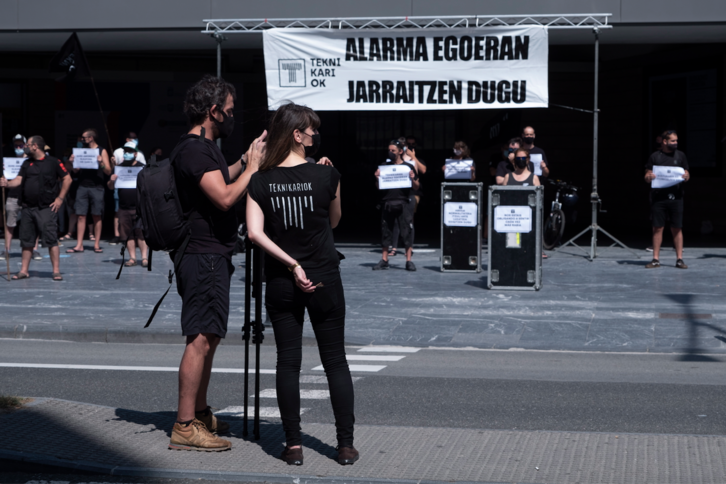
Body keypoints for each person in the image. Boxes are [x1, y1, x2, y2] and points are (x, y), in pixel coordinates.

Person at [247, 101, 358, 467]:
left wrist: (292, 263)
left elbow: (253, 233)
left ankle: (292, 445)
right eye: (313, 131)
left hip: (281, 279)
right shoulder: (328, 176)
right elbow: (336, 222)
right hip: (325, 276)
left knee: (288, 362)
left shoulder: (260, 179)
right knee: (335, 362)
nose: (315, 136)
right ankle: (344, 445)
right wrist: (330, 183)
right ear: (298, 135)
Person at [167, 74, 266, 452]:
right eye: (228, 110)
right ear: (212, 112)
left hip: (213, 254)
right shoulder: (193, 150)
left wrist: (245, 159)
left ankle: (201, 412)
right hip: (202, 255)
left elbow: (221, 179)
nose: (231, 116)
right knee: (199, 339)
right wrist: (254, 169)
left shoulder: (206, 149)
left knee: (210, 336)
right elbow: (224, 197)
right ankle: (184, 424)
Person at [0, 136, 71, 280]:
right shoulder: (27, 164)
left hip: (46, 207)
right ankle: (24, 270)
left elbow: (67, 179)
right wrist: (7, 183)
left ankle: (55, 271)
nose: (25, 146)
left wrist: (60, 198)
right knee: (27, 240)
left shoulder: (53, 162)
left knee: (51, 239)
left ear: (35, 146)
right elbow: (19, 180)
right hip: (27, 207)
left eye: (27, 144)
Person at [644, 130, 689, 269]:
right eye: (673, 141)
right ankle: (655, 259)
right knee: (657, 228)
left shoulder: (681, 156)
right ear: (664, 142)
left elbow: (687, 173)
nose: (675, 143)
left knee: (677, 228)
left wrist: (687, 176)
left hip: (676, 197)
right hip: (659, 197)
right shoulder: (655, 157)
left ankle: (679, 259)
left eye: (676, 141)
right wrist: (648, 177)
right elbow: (646, 175)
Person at [373, 140, 418, 271]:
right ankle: (384, 259)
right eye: (389, 150)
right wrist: (377, 179)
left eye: (393, 150)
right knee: (386, 231)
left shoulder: (408, 167)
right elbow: (379, 187)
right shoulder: (384, 167)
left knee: (406, 232)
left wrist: (412, 178)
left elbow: (416, 186)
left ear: (400, 151)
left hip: (403, 203)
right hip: (388, 203)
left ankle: (409, 261)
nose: (390, 152)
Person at [66, 128, 111, 254]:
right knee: (81, 215)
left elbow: (108, 171)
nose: (82, 140)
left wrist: (101, 163)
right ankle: (79, 244)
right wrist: (72, 163)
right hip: (82, 186)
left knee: (97, 215)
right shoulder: (80, 151)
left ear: (91, 138)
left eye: (84, 138)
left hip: (97, 186)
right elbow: (74, 170)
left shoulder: (102, 151)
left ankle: (96, 244)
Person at [107, 142, 148, 267]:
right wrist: (112, 180)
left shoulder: (143, 168)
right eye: (126, 151)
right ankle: (132, 258)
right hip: (124, 207)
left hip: (139, 207)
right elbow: (110, 187)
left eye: (130, 151)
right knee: (128, 233)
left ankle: (144, 258)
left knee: (140, 233)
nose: (127, 154)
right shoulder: (118, 168)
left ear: (136, 153)